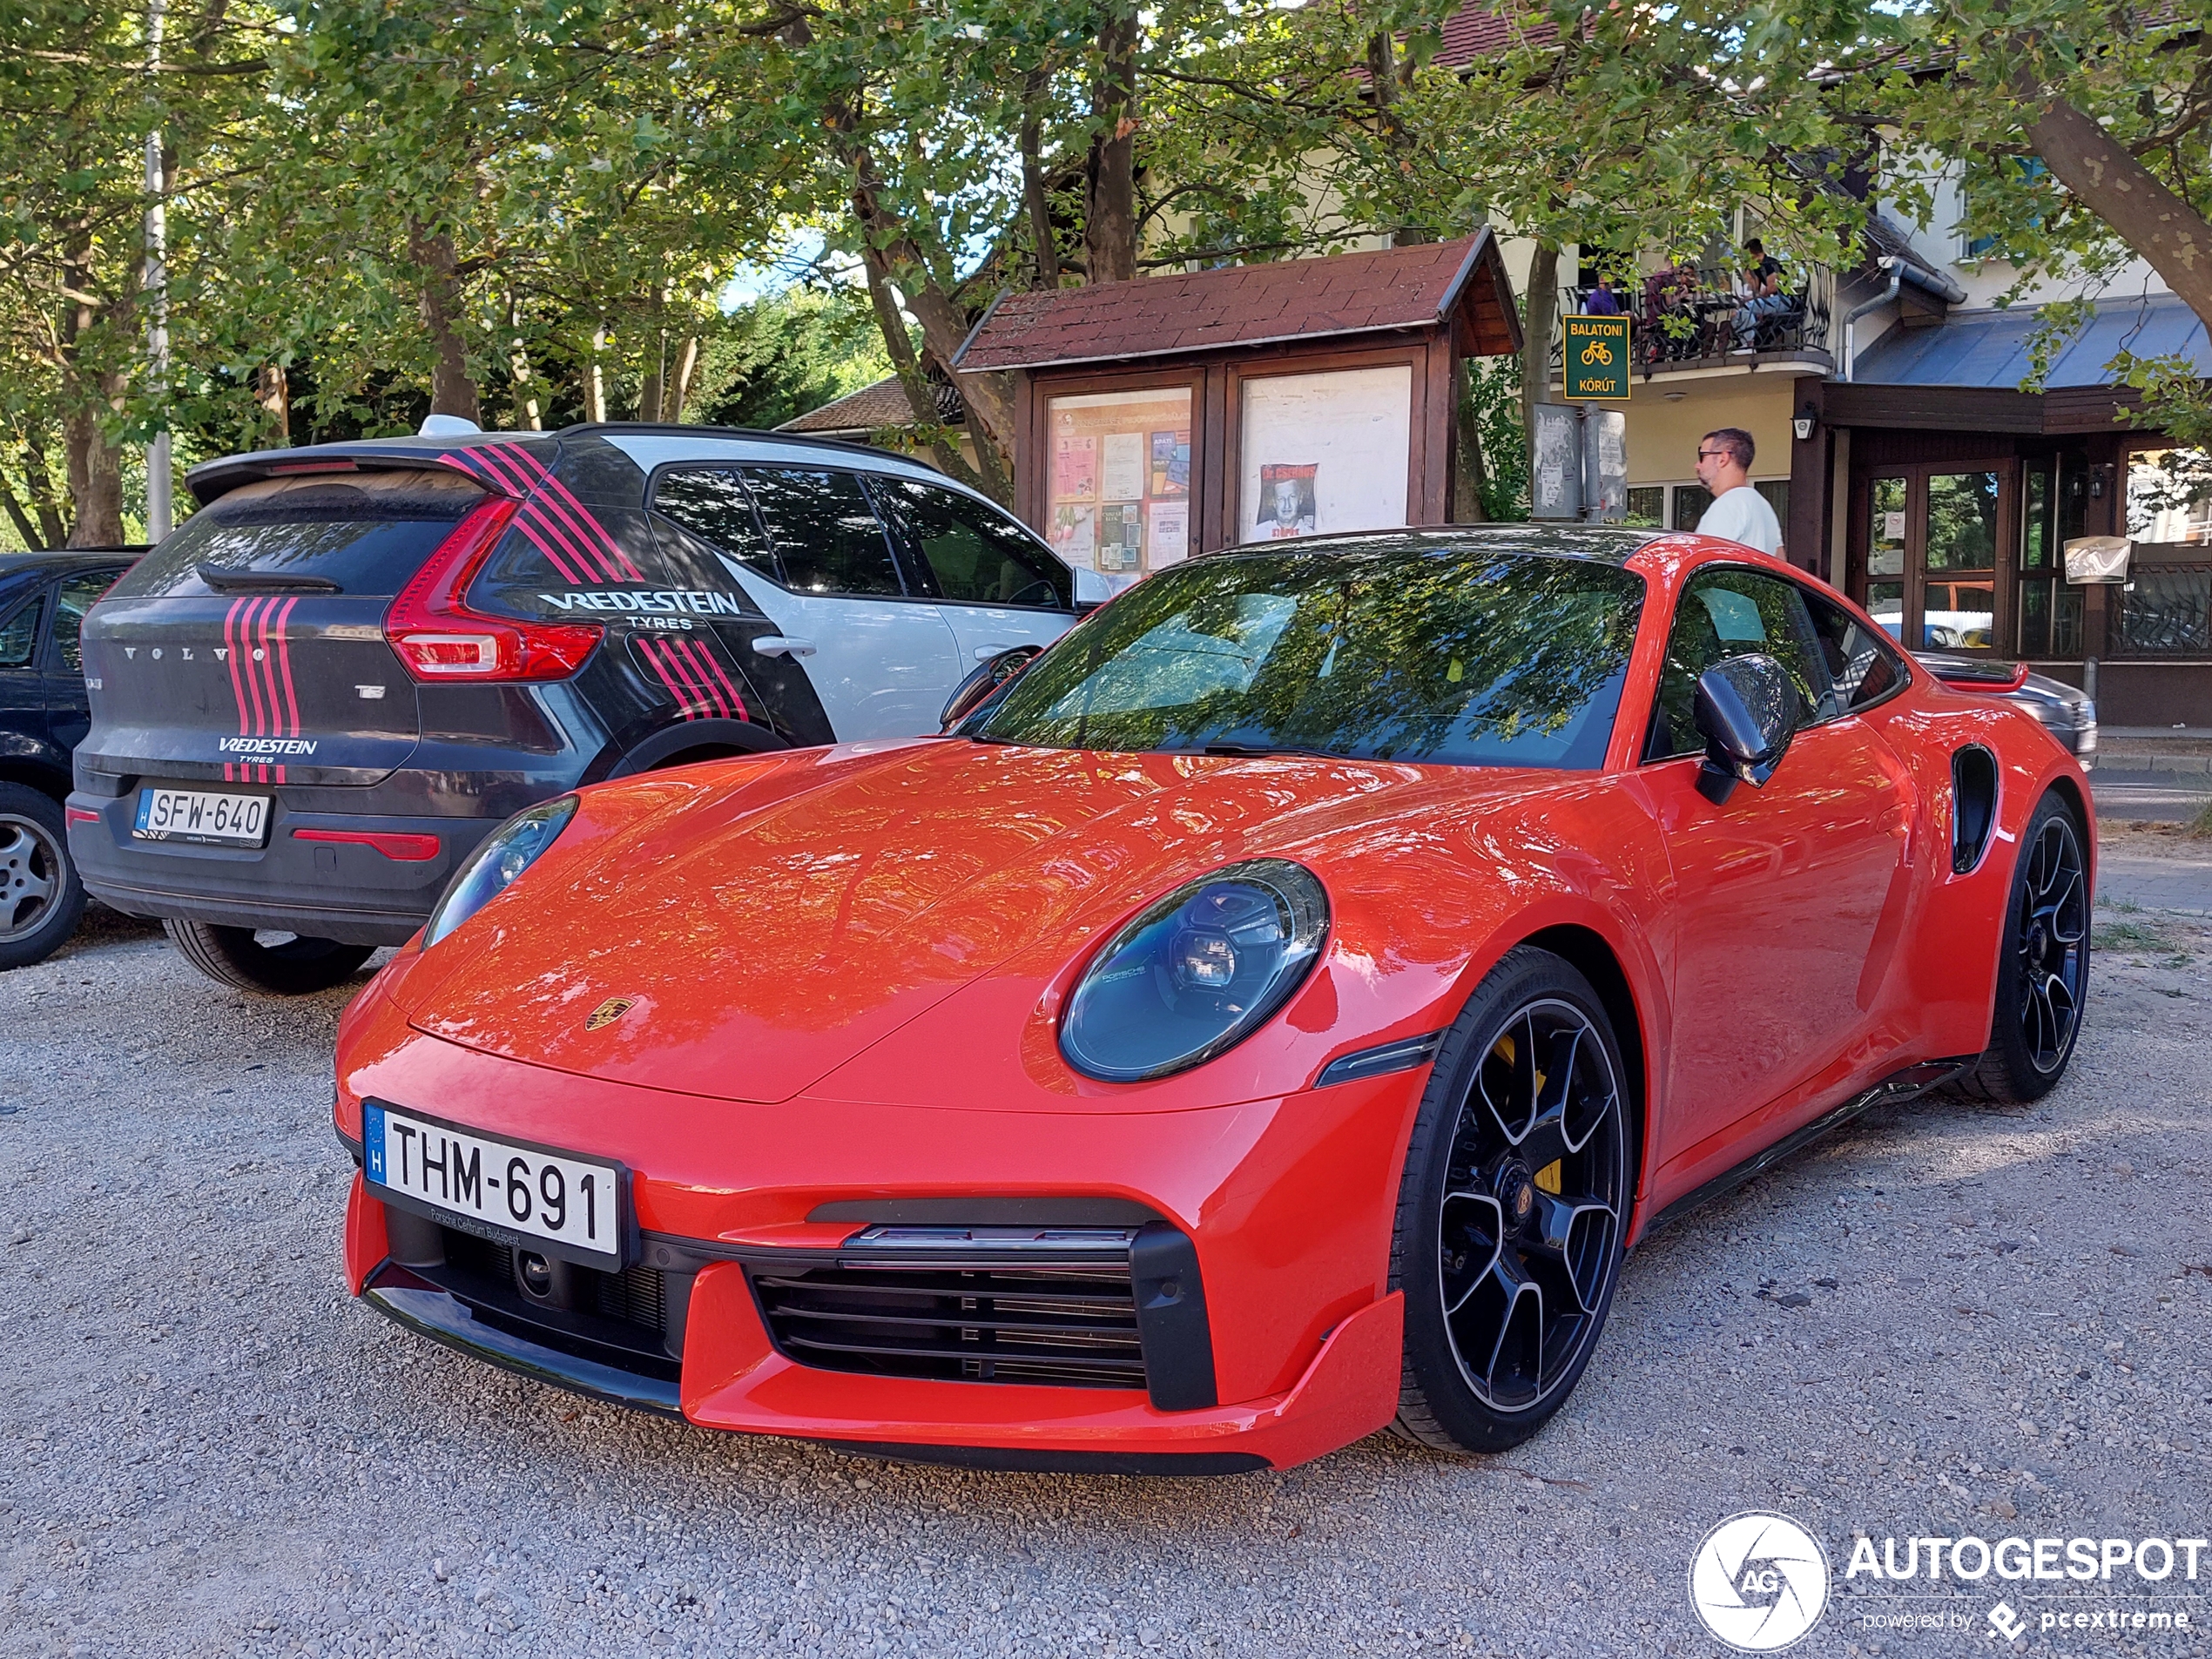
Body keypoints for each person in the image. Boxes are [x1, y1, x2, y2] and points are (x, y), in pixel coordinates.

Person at [1693, 428, 1784, 555]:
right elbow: (1782, 564)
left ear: (1722, 459)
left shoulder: (1728, 505)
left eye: (1702, 456)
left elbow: (1702, 561)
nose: (1697, 465)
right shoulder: (1763, 506)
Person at [1730, 238, 1791, 352]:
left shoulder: (1770, 263)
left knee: (1748, 307)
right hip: (1771, 301)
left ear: (1752, 253)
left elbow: (1772, 287)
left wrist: (1754, 299)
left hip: (1783, 300)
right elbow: (1757, 291)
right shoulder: (1757, 267)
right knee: (1738, 314)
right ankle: (1745, 342)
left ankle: (1750, 344)